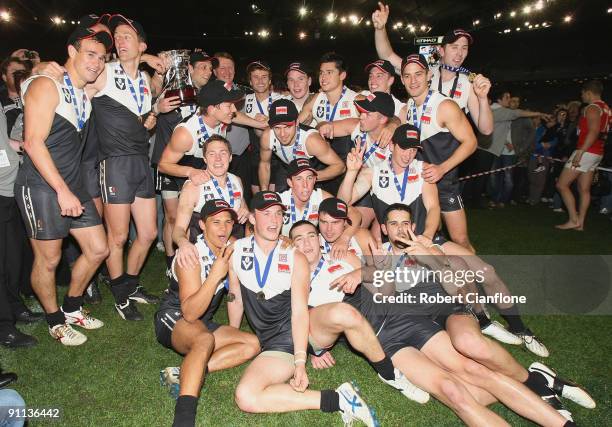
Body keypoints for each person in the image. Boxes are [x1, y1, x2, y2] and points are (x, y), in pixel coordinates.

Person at [339, 125, 549, 354]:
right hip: (395, 248)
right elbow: (342, 204)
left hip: (427, 239)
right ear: (391, 146)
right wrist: (351, 172)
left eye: (413, 149)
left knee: (485, 271)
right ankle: (480, 320)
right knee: (443, 277)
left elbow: (433, 208)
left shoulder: (423, 171)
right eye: (404, 148)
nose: (409, 154)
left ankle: (519, 329)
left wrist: (427, 238)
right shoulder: (373, 172)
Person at [371, 204, 582, 425]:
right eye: (393, 224)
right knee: (466, 391)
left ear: (413, 226)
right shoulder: (378, 256)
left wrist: (429, 260)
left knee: (470, 343)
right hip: (418, 324)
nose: (400, 229)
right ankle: (540, 379)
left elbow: (456, 289)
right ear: (384, 229)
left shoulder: (427, 248)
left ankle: (536, 384)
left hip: (447, 311)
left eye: (405, 223)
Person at [227, 191, 379, 426]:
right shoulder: (237, 251)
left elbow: (299, 312)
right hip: (269, 337)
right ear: (252, 219)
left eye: (278, 214)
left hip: (290, 337)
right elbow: (235, 297)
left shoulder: (293, 255)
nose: (274, 220)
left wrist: (300, 361)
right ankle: (341, 398)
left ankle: (339, 397)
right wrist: (232, 333)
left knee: (246, 396)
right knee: (246, 398)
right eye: (266, 214)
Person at [14, 18, 112, 345]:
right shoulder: (47, 84)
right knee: (50, 259)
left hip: (71, 185)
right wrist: (61, 190)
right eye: (90, 54)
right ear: (71, 51)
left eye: (101, 57)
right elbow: (33, 143)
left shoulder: (82, 92)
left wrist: (145, 57)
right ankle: (55, 320)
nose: (96, 63)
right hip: (42, 186)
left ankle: (72, 306)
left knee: (99, 249)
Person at [289, 219, 429, 404]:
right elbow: (295, 317)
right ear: (292, 246)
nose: (307, 243)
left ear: (319, 240)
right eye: (299, 239)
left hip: (383, 313)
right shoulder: (291, 276)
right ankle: (389, 373)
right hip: (348, 325)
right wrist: (313, 348)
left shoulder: (341, 256)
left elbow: (383, 289)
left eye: (311, 236)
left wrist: (363, 272)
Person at [154, 199, 260, 427]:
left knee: (252, 344)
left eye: (228, 222)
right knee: (204, 339)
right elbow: (190, 313)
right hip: (175, 317)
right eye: (216, 222)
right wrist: (214, 275)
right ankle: (184, 418)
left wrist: (286, 240)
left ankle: (187, 372)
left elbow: (257, 244)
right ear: (202, 225)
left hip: (202, 321)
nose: (223, 228)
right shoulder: (191, 256)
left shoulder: (228, 246)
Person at [87, 14, 162, 320]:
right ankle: (120, 294)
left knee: (147, 233)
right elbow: (77, 79)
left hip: (141, 162)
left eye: (126, 36)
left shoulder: (143, 81)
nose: (119, 40)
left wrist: (149, 120)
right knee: (117, 237)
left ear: (141, 44)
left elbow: (140, 118)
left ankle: (128, 285)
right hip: (114, 163)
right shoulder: (103, 70)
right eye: (117, 37)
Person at [372, 3, 493, 135]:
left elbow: (486, 130)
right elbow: (387, 56)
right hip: (414, 147)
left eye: (464, 48)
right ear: (441, 50)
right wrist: (380, 29)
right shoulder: (422, 72)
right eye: (454, 47)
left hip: (445, 151)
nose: (460, 53)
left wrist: (482, 99)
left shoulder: (468, 84)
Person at [398, 54, 478, 251]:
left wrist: (442, 168)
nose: (413, 80)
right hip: (422, 185)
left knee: (460, 241)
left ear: (428, 76)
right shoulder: (408, 107)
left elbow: (471, 142)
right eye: (407, 76)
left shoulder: (445, 105)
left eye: (418, 74)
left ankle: (479, 279)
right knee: (432, 240)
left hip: (445, 184)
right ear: (401, 80)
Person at [151, 50, 217, 273]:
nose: (208, 72)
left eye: (210, 68)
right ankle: (171, 261)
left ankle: (190, 255)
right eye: (203, 67)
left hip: (195, 162)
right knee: (171, 215)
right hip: (168, 161)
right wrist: (156, 108)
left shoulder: (207, 95)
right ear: (189, 68)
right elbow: (149, 105)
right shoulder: (172, 84)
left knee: (189, 213)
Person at [318, 91, 397, 230]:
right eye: (361, 111)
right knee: (349, 227)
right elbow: (320, 128)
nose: (361, 116)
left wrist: (395, 124)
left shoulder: (395, 143)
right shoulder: (356, 126)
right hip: (367, 179)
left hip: (392, 189)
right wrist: (323, 125)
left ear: (383, 119)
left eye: (368, 114)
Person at [171, 135, 249, 259]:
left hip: (233, 248)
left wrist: (246, 212)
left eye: (223, 153)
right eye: (212, 154)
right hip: (203, 252)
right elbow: (178, 229)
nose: (218, 159)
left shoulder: (237, 181)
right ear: (205, 159)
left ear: (230, 157)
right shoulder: (193, 187)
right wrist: (183, 243)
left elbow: (243, 208)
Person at [0, 105, 39, 348]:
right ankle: (5, 328)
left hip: (8, 188)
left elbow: (3, 141)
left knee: (12, 259)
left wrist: (23, 145)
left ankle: (14, 308)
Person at [556, 80, 610, 230]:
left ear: (588, 93)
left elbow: (593, 131)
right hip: (597, 152)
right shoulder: (605, 108)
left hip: (587, 151)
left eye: (582, 93)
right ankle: (580, 223)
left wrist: (580, 152)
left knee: (561, 184)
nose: (581, 96)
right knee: (584, 189)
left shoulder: (592, 108)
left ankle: (574, 219)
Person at [259, 99, 345, 192]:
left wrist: (309, 177)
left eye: (287, 127)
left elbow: (340, 166)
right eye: (277, 128)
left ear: (297, 123)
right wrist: (264, 190)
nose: (282, 134)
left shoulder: (312, 140)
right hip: (288, 167)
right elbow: (264, 164)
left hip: (315, 170)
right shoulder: (267, 137)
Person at [484, 89, 551, 209]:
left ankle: (503, 200)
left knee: (508, 179)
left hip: (511, 153)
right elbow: (493, 129)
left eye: (516, 101)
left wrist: (519, 148)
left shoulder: (521, 117)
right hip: (496, 150)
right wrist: (504, 142)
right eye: (511, 100)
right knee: (494, 177)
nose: (513, 103)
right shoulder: (502, 112)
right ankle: (495, 199)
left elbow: (531, 134)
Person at [278, 158, 360, 239]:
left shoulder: (320, 197)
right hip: (283, 247)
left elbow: (354, 213)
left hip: (309, 245)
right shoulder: (279, 200)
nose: (305, 185)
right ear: (290, 182)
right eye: (299, 179)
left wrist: (344, 238)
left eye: (309, 178)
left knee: (362, 234)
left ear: (314, 180)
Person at [0, 57, 29, 135]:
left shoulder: (35, 97)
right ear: (5, 77)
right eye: (14, 72)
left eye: (22, 72)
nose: (19, 75)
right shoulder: (2, 102)